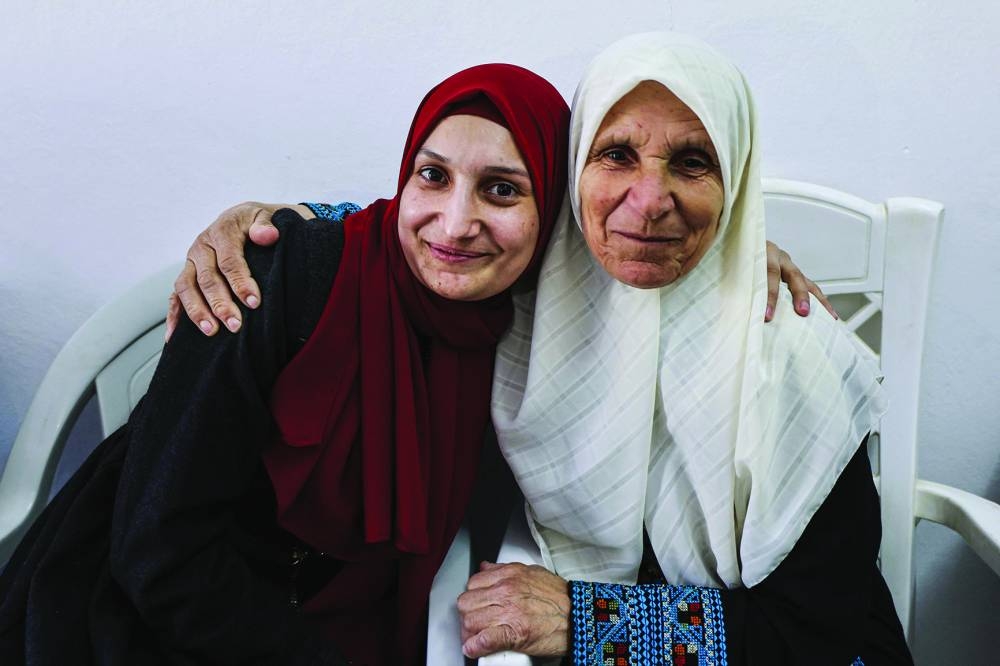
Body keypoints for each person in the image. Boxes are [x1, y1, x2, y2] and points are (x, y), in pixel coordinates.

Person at [0, 63, 569, 666]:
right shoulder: (269, 278)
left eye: (502, 189)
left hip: (334, 619)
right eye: (432, 175)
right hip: (132, 620)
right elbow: (156, 550)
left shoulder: (523, 343)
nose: (454, 223)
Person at [459, 33, 912, 664]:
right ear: (571, 169)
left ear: (736, 183)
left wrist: (588, 621)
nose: (649, 203)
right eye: (616, 154)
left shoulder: (791, 352)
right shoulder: (527, 324)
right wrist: (284, 225)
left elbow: (815, 631)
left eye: (694, 162)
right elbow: (410, 243)